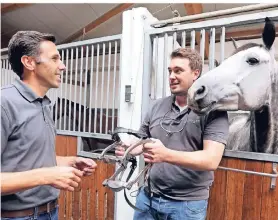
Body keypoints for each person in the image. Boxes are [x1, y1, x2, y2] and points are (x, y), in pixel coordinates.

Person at [116, 48, 229, 220]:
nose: (171, 76)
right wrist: (131, 147)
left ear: (195, 74)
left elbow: (211, 160)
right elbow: (142, 138)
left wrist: (166, 155)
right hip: (148, 198)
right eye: (170, 71)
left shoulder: (212, 111)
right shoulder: (157, 106)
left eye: (178, 71)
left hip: (186, 206)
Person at [1, 31, 97, 220]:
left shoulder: (44, 103)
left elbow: (24, 158)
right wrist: (47, 176)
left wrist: (67, 161)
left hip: (50, 212)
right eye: (54, 58)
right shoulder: (4, 103)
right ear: (29, 63)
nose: (63, 66)